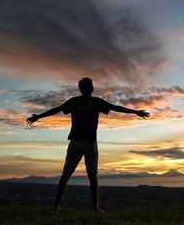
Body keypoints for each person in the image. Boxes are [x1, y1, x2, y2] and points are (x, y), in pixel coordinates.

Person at [26, 77, 149, 213]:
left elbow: (57, 109)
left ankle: (55, 207)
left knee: (65, 175)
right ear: (92, 88)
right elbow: (115, 108)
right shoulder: (96, 102)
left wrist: (38, 116)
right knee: (92, 177)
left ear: (80, 89)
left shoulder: (74, 101)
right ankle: (96, 208)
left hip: (75, 142)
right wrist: (136, 112)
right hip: (89, 143)